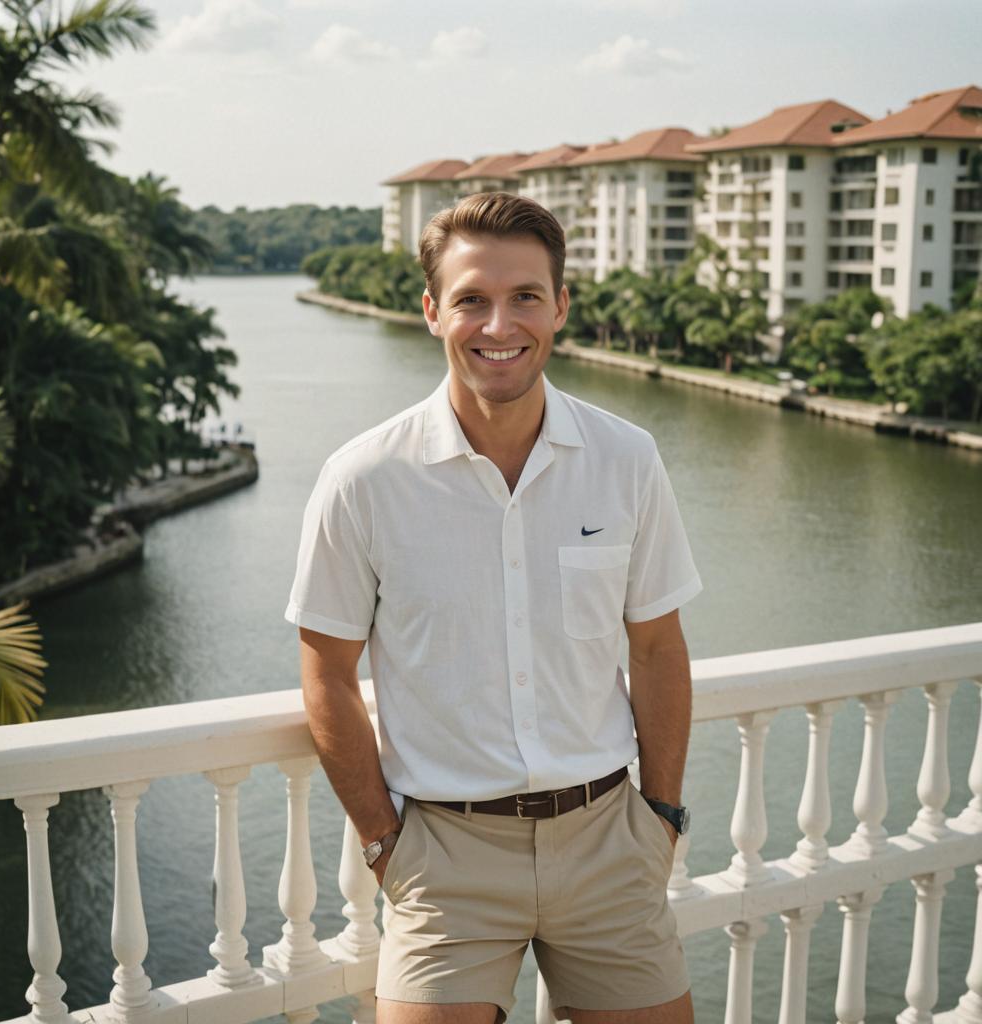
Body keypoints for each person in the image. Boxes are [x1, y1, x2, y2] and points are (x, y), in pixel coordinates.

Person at [285, 191, 702, 1024]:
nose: (498, 323)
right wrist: (383, 844)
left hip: (608, 839)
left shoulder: (626, 458)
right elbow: (326, 673)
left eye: (525, 297)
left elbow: (656, 648)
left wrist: (660, 818)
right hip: (445, 859)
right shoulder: (364, 479)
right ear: (433, 309)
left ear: (560, 307)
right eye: (472, 298)